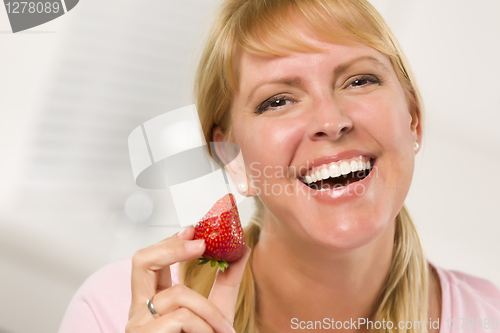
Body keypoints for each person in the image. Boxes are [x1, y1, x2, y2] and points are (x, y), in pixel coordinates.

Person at [59, 0, 500, 332]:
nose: (331, 121)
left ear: (413, 119)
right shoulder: (117, 312)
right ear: (232, 157)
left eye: (360, 80)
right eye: (278, 101)